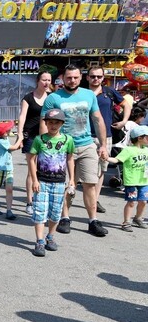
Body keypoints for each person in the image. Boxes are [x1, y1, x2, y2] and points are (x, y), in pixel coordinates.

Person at [41, 64, 108, 237]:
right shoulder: (53, 98)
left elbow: (98, 119)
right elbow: (44, 121)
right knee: (66, 185)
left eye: (75, 77)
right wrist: (44, 145)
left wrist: (103, 145)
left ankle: (93, 221)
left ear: (81, 77)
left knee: (90, 184)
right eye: (69, 77)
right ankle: (65, 218)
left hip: (86, 145)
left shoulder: (89, 95)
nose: (72, 80)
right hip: (62, 147)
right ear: (63, 79)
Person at [28, 109, 75, 256]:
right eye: (50, 122)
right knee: (39, 212)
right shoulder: (39, 140)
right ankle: (40, 241)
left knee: (55, 214)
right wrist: (34, 180)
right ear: (46, 123)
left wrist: (72, 179)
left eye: (57, 122)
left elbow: (70, 159)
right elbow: (31, 159)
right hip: (42, 182)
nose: (53, 125)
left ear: (62, 124)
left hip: (59, 183)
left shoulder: (68, 140)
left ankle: (50, 237)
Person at [87, 66, 132, 214]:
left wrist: (124, 121)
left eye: (99, 77)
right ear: (87, 77)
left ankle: (94, 200)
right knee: (77, 169)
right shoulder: (82, 92)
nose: (96, 79)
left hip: (105, 137)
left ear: (103, 78)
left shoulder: (109, 92)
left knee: (101, 169)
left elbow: (125, 104)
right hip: (84, 136)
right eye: (93, 76)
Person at [14, 71, 53, 215]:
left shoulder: (52, 97)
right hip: (31, 136)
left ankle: (43, 199)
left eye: (49, 80)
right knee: (32, 170)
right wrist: (19, 135)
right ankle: (30, 202)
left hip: (48, 137)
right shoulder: (28, 98)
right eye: (44, 79)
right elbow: (22, 116)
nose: (47, 82)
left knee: (47, 169)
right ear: (38, 81)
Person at [106, 126, 148, 232]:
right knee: (131, 202)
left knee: (143, 201)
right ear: (139, 138)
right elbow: (116, 160)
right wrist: (106, 158)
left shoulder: (146, 150)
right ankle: (126, 222)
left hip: (144, 181)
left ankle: (138, 218)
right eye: (147, 137)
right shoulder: (129, 150)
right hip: (131, 182)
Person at [0, 121, 19, 220]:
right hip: (0, 169)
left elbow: (12, 149)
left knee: (9, 189)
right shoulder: (1, 141)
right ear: (3, 133)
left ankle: (9, 210)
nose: (10, 129)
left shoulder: (5, 139)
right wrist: (20, 139)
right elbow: (14, 147)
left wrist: (19, 143)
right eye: (8, 129)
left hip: (8, 168)